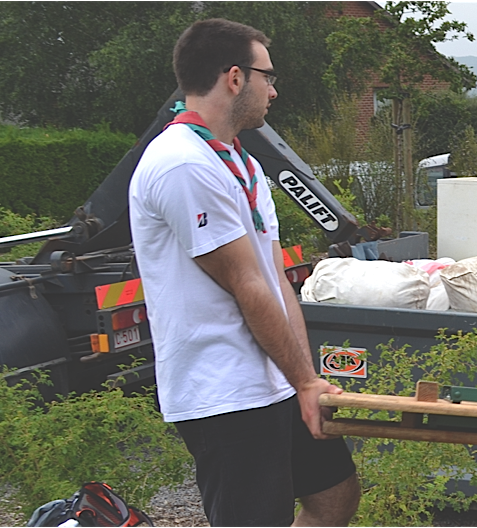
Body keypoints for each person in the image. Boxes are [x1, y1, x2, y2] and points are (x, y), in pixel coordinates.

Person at [128, 19, 359, 526]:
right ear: (235, 78)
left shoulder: (243, 164)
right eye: (267, 77)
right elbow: (245, 285)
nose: (273, 90)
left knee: (335, 495)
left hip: (272, 379)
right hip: (223, 391)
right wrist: (304, 384)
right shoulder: (182, 164)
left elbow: (276, 281)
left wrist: (306, 380)